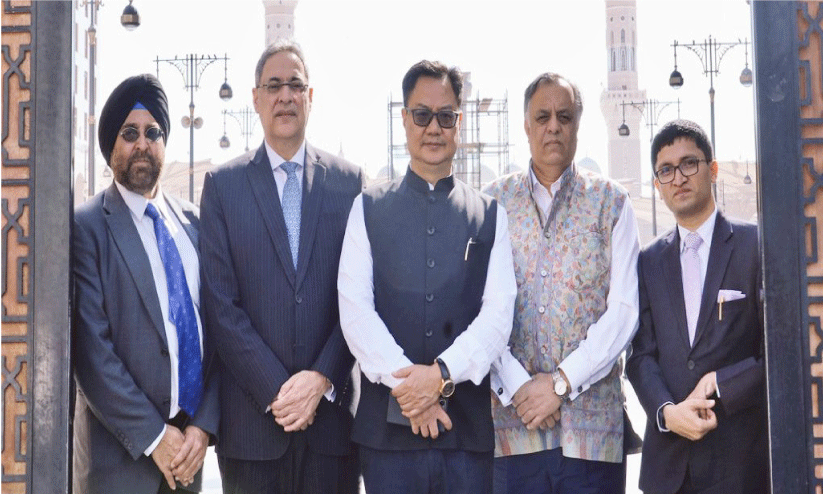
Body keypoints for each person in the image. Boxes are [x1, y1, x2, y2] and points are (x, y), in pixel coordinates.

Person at [338, 60, 517, 493]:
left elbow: (498, 315)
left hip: (466, 436)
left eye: (445, 116)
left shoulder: (490, 215)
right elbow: (355, 310)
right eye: (422, 115)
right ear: (404, 119)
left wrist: (439, 376)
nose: (433, 128)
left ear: (459, 122)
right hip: (386, 440)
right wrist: (411, 390)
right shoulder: (367, 208)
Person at [199, 40, 364, 494]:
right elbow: (221, 306)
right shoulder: (223, 187)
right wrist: (280, 391)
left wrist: (321, 379)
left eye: (295, 85)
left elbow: (359, 298)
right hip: (252, 433)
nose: (285, 96)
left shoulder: (349, 184)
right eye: (274, 86)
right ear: (256, 98)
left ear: (311, 97)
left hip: (332, 429)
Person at [483, 72, 641, 493]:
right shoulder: (493, 204)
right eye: (543, 117)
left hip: (593, 437)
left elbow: (624, 311)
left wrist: (560, 383)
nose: (553, 126)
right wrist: (519, 386)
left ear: (578, 124)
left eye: (564, 116)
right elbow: (480, 310)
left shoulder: (612, 203)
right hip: (513, 429)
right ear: (526, 126)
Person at [73, 74, 218, 494]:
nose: (142, 143)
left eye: (153, 132)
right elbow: (92, 352)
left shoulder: (194, 223)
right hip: (118, 467)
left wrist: (203, 426)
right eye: (129, 133)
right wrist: (155, 437)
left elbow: (218, 331)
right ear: (111, 146)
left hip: (187, 459)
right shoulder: (87, 227)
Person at [626, 119, 768, 494]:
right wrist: (667, 413)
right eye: (666, 170)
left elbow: (778, 351)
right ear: (657, 186)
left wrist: (721, 382)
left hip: (740, 464)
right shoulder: (648, 261)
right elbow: (640, 356)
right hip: (669, 470)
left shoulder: (755, 246)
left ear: (713, 169)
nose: (678, 177)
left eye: (689, 163)